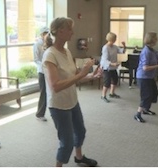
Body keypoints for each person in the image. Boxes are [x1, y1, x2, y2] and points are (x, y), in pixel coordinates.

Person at [42, 17, 98, 167]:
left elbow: (73, 78)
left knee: (80, 132)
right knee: (66, 143)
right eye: (70, 29)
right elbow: (55, 86)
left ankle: (79, 157)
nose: (73, 33)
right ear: (60, 32)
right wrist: (81, 74)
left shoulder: (66, 51)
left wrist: (91, 76)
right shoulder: (49, 55)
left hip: (72, 101)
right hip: (59, 106)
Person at [134, 32, 158, 123]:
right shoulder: (146, 52)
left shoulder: (152, 50)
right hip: (143, 77)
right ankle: (138, 114)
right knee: (146, 95)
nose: (157, 39)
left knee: (154, 93)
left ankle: (146, 109)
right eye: (156, 38)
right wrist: (157, 66)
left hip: (149, 77)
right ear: (152, 39)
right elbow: (145, 67)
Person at [100, 32, 126, 103]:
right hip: (107, 67)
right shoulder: (105, 48)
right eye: (114, 38)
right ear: (111, 39)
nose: (115, 39)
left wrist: (124, 46)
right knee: (107, 82)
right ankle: (103, 96)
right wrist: (112, 64)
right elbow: (105, 59)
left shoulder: (115, 46)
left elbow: (122, 51)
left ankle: (112, 93)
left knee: (115, 80)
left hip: (113, 67)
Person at [33, 26, 49, 121]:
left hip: (49, 71)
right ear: (42, 35)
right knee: (43, 93)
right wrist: (44, 64)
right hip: (42, 72)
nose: (47, 35)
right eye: (45, 33)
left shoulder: (49, 44)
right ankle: (40, 113)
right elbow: (36, 59)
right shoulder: (37, 45)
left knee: (51, 92)